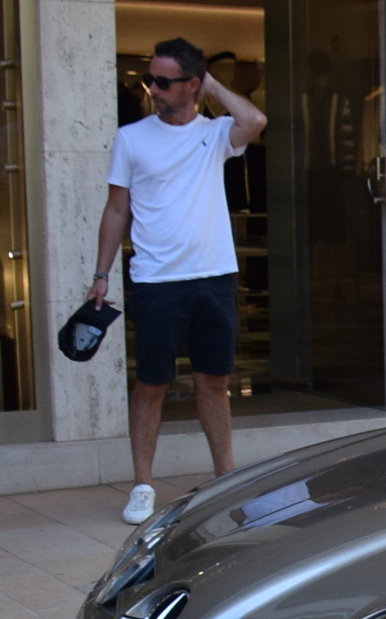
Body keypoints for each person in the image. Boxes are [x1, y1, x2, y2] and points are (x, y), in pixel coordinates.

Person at [88, 38, 264, 525]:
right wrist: (101, 275)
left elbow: (256, 122)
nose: (154, 89)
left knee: (214, 380)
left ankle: (224, 477)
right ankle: (143, 483)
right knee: (151, 383)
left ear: (191, 85)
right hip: (156, 279)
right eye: (151, 79)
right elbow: (116, 208)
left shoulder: (217, 133)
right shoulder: (132, 137)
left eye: (164, 81)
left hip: (213, 276)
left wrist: (212, 83)